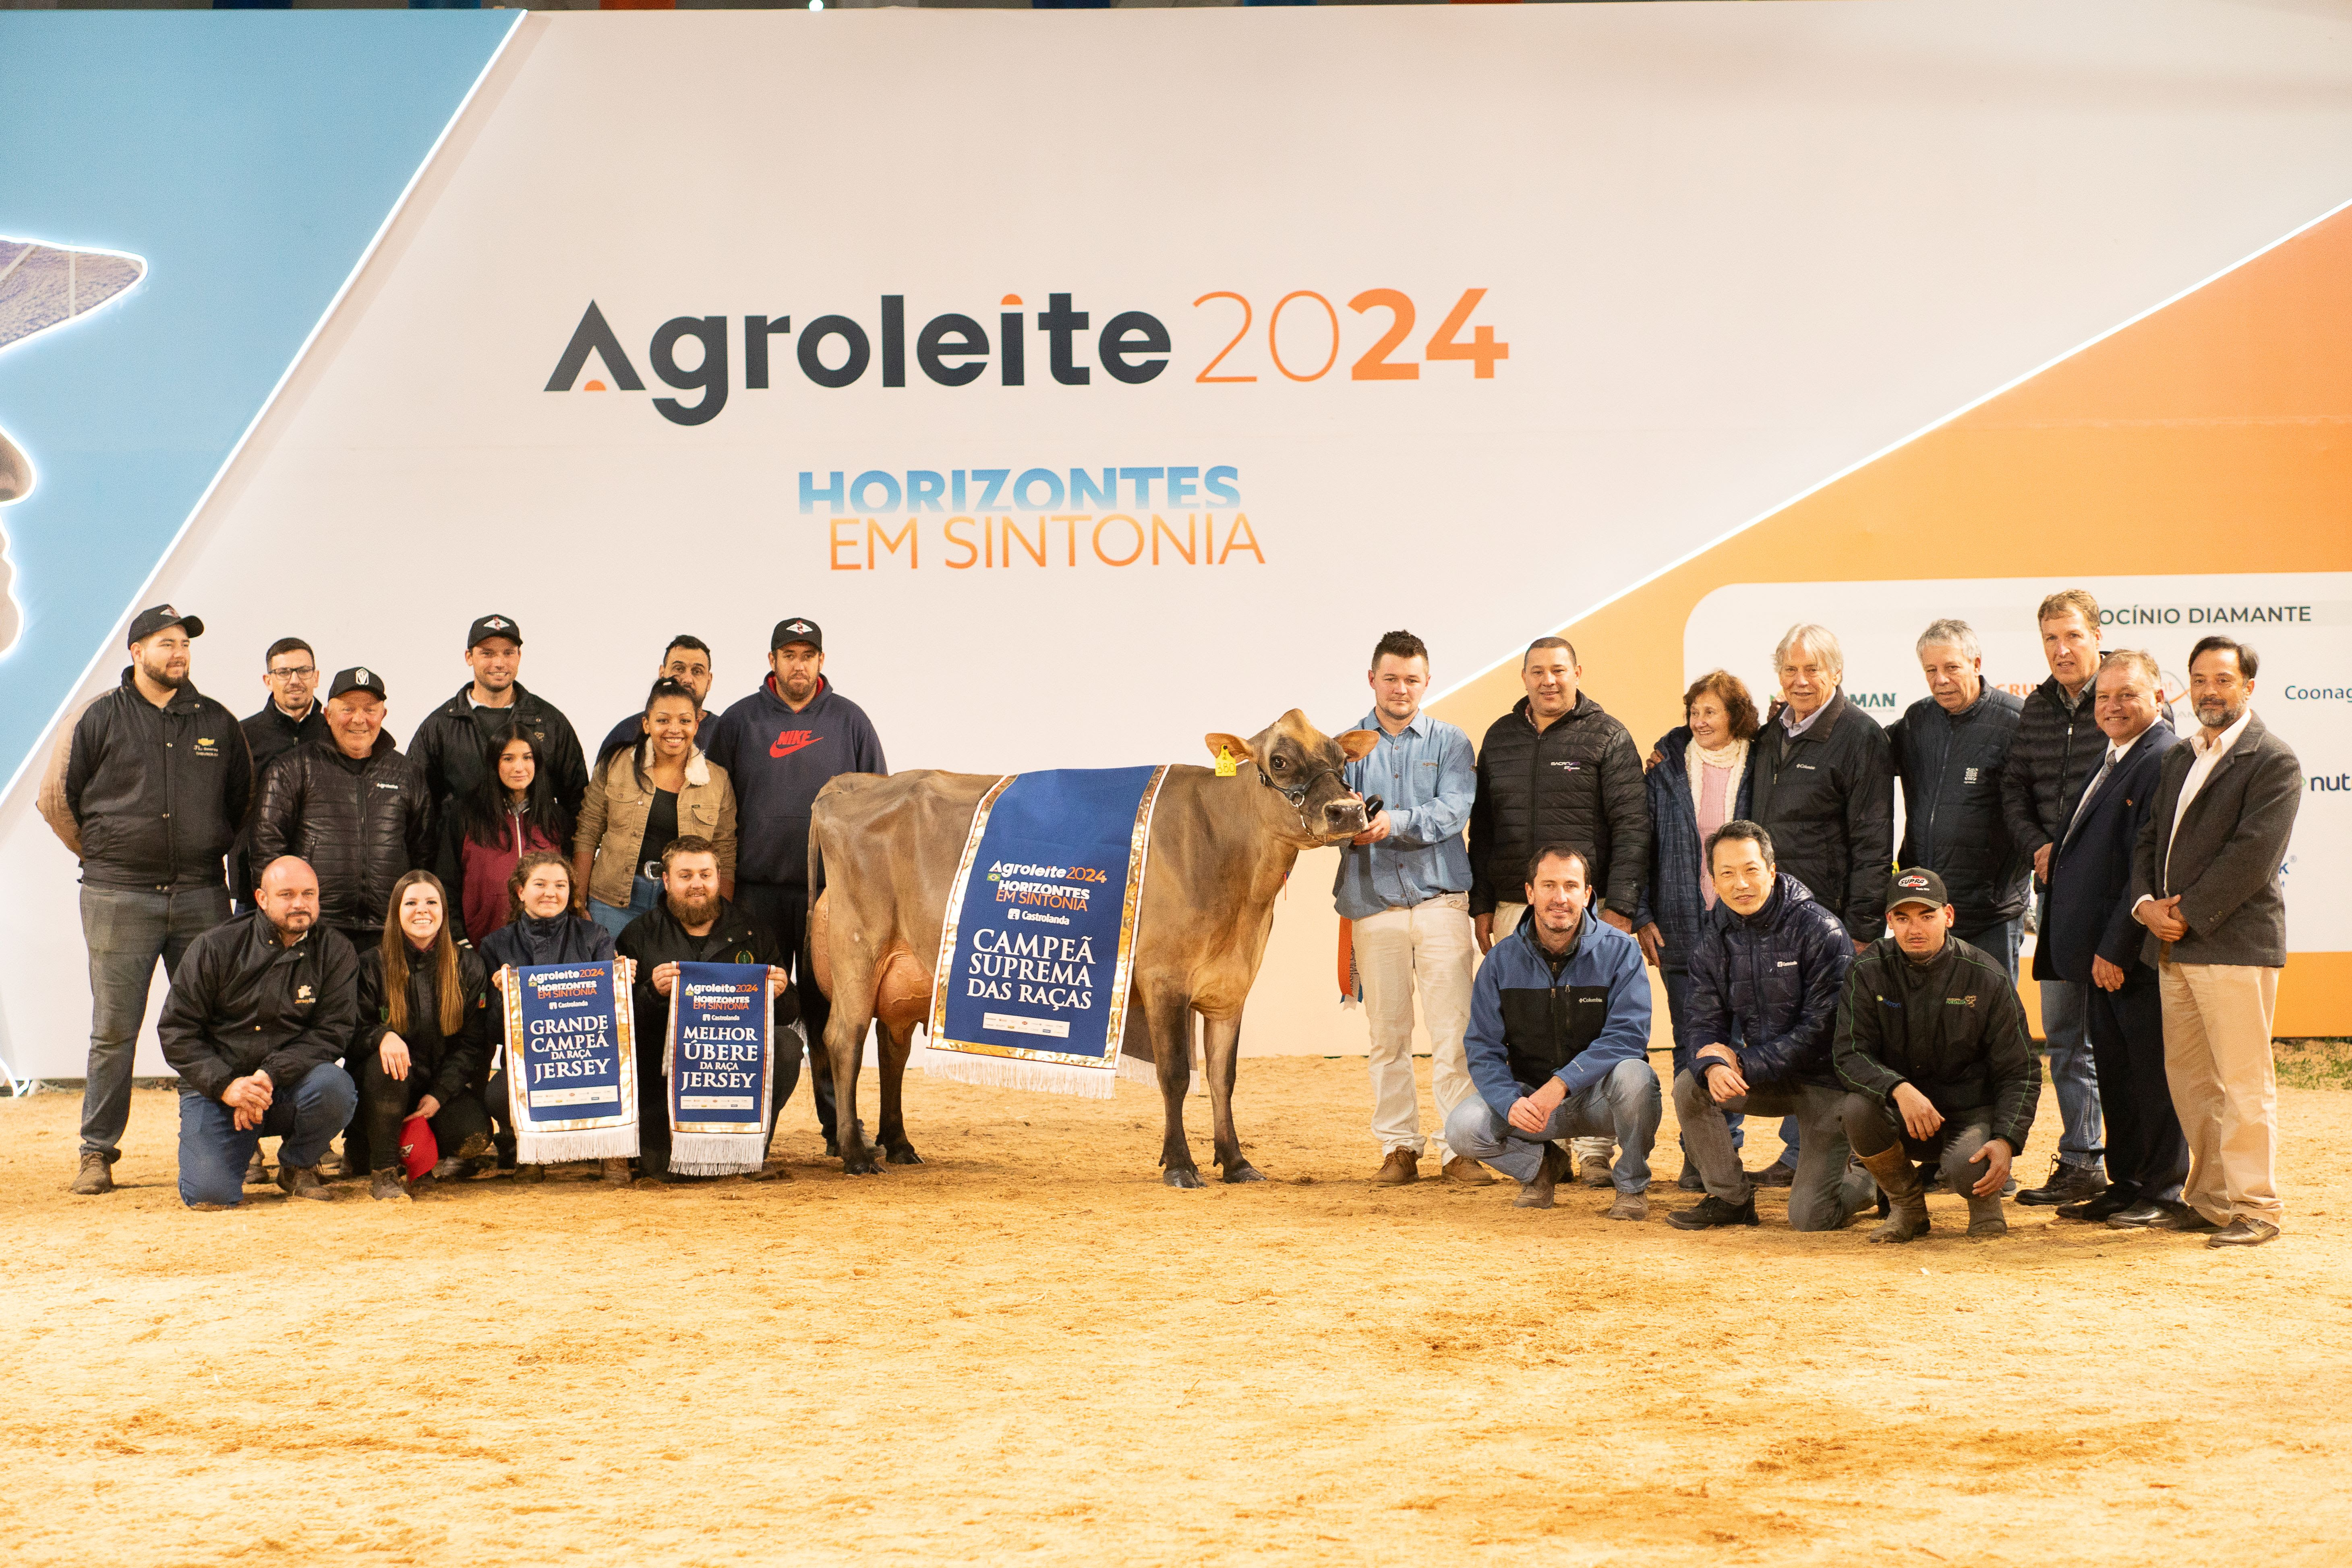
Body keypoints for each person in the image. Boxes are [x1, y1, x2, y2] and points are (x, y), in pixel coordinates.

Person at [37, 604, 253, 1197]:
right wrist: (110, 856)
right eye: (165, 643)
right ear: (136, 652)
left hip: (202, 895)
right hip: (117, 896)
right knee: (114, 1029)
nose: (178, 653)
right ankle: (97, 1152)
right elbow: (59, 800)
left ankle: (235, 1145)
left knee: (215, 1024)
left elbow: (240, 807)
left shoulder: (218, 722)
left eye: (184, 643)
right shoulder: (97, 717)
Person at [2130, 635, 2302, 1248]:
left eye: (2223, 680)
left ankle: (2257, 1205)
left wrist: (2187, 915)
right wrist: (2146, 906)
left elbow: (2252, 857)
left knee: (2242, 1081)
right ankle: (2208, 1199)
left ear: (2248, 687)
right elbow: (2149, 840)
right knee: (2194, 1081)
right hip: (2174, 947)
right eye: (2200, 680)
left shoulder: (2272, 760)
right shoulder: (2180, 756)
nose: (2209, 691)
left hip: (2233, 944)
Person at [1467, 638, 1648, 1187]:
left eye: (1559, 670)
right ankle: (1540, 1148)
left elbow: (1632, 827)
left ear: (1578, 673)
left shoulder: (1609, 735)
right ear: (1524, 677)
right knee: (1529, 1028)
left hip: (1590, 910)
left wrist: (1618, 905)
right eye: (1538, 671)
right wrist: (1480, 902)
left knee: (1592, 1028)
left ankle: (1596, 1150)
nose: (1549, 680)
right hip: (1512, 903)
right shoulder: (1499, 738)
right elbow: (1485, 830)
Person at [706, 616, 886, 1156]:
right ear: (772, 661)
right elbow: (714, 807)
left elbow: (877, 808)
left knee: (831, 1012)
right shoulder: (740, 721)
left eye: (808, 654)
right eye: (788, 654)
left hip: (829, 898)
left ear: (822, 662)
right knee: (746, 1010)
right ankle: (738, 1130)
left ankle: (841, 1131)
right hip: (756, 894)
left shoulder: (850, 721)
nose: (798, 664)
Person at [1666, 822, 1876, 1231]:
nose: (1740, 883)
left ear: (1772, 869)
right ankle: (1730, 1198)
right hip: (1767, 1076)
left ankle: (1868, 1179)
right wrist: (1712, 1063)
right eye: (1726, 873)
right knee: (1689, 1085)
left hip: (1825, 1081)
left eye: (1750, 869)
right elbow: (1700, 1018)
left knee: (1809, 1218)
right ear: (1711, 879)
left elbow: (1821, 1029)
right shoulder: (1713, 935)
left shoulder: (1820, 929)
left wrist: (1741, 1060)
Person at [2038, 651, 2185, 1227]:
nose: (2113, 705)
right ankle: (2126, 1184)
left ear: (2158, 697)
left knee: (2151, 1075)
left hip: (2129, 956)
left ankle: (2163, 1189)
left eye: (2128, 694)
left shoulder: (2161, 757)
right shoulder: (2120, 753)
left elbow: (2144, 865)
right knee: (2119, 1076)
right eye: (2103, 696)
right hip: (2097, 954)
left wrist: (2116, 947)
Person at [1745, 622, 1894, 1188]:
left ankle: (1849, 1158)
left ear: (1836, 672)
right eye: (1790, 669)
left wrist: (1859, 926)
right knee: (1795, 1031)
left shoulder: (1860, 735)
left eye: (1813, 669)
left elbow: (1874, 840)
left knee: (1838, 1038)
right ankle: (1799, 1155)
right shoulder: (1769, 734)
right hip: (1773, 916)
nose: (1801, 680)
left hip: (1832, 920)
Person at [1332, 630, 1479, 1186]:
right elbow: (1326, 816)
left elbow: (1452, 812)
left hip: (1441, 902)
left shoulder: (1451, 742)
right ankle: (1399, 1147)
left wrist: (1392, 822)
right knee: (1387, 1035)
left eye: (1411, 679)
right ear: (1372, 679)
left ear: (1427, 681)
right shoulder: (1342, 748)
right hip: (1373, 906)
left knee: (1453, 1032)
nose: (1400, 689)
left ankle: (1459, 1147)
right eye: (1390, 678)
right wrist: (1349, 824)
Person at [1443, 845, 1659, 1218]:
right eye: (1549, 885)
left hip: (1599, 1100)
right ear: (1530, 892)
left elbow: (1628, 1036)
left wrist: (1561, 1084)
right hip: (1532, 1103)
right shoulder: (1500, 961)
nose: (1560, 898)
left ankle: (1632, 1186)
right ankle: (1542, 1166)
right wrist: (1510, 1101)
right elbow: (1482, 1047)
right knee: (1462, 1129)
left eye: (1572, 886)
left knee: (1637, 1076)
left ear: (1587, 894)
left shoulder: (1620, 951)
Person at [1835, 868, 2040, 1243]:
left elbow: (2021, 1069)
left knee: (1968, 1167)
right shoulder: (1866, 970)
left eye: (1927, 916)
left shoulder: (1987, 975)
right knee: (1857, 1110)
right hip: (1904, 1114)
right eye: (1903, 918)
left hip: (1968, 1115)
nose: (1916, 928)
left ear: (1948, 916)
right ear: (1890, 922)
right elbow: (1848, 1052)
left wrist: (2007, 1139)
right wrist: (1899, 1089)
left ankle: (1985, 1207)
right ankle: (1908, 1209)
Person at [157, 856, 359, 1209]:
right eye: (287, 894)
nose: (300, 903)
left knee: (336, 1087)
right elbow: (177, 1030)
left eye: (308, 894)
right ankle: (238, 1143)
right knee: (210, 1195)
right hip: (217, 1089)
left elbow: (332, 1032)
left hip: (285, 1085)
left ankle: (297, 1165)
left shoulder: (336, 951)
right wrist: (226, 1086)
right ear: (262, 899)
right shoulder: (216, 946)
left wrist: (269, 1075)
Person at [1999, 588, 2115, 1207]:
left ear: (2097, 634)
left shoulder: (2127, 692)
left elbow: (2146, 797)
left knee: (2123, 1039)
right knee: (2066, 1035)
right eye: (2050, 639)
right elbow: (2013, 790)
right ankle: (2082, 1162)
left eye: (2072, 636)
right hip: (2058, 900)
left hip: (2122, 902)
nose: (2062, 650)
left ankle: (2142, 1170)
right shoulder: (2037, 709)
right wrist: (2038, 846)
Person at [1633, 670, 1759, 1189]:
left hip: (1747, 928)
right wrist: (1641, 913)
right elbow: (1640, 844)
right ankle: (1701, 1156)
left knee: (1741, 1042)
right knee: (1692, 1043)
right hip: (1680, 925)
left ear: (1735, 715)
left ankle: (1731, 1152)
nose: (1700, 721)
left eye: (1712, 711)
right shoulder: (1664, 768)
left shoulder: (1763, 764)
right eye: (1694, 711)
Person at [615, 836, 799, 1183]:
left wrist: (781, 992)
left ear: (718, 878)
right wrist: (652, 993)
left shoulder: (752, 931)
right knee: (665, 1171)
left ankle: (750, 1150)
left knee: (788, 1044)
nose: (697, 884)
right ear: (666, 880)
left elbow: (789, 1013)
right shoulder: (638, 935)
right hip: (662, 1077)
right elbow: (619, 1025)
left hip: (735, 1072)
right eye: (685, 875)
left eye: (705, 874)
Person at [251, 667, 433, 955]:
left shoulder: (407, 774)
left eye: (370, 710)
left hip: (388, 931)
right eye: (348, 709)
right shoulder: (292, 768)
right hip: (315, 929)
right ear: (328, 714)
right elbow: (267, 849)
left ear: (383, 715)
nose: (359, 719)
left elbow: (423, 853)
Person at [1888, 618, 2029, 979]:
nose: (1941, 679)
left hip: (1991, 915)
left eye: (1952, 667)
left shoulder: (2017, 720)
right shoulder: (1917, 719)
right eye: (1931, 670)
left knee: (1995, 1023)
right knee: (1930, 1024)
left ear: (1977, 664)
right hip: (1928, 911)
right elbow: (1863, 750)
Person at [349, 871, 494, 1199]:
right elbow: (351, 1033)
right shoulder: (371, 965)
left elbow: (472, 1044)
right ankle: (384, 1169)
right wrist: (382, 1037)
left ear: (444, 909)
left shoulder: (469, 965)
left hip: (438, 1087)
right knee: (389, 1063)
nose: (422, 910)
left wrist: (440, 1094)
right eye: (411, 903)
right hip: (382, 1090)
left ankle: (422, 1157)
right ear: (396, 911)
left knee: (473, 1134)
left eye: (431, 902)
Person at [479, 851, 622, 1183]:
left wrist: (620, 982)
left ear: (570, 892)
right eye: (540, 884)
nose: (550, 893)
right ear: (520, 891)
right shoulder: (495, 945)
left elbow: (616, 1014)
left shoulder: (595, 936)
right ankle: (532, 1151)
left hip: (590, 1060)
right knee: (499, 1093)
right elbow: (490, 1031)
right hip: (530, 1065)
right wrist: (503, 996)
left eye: (560, 885)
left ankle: (611, 1149)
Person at [576, 677, 739, 943]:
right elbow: (587, 832)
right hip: (611, 903)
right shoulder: (615, 765)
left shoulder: (717, 781)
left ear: (696, 725)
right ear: (646, 724)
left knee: (670, 984)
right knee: (616, 983)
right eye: (663, 720)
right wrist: (578, 903)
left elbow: (725, 855)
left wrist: (719, 918)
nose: (674, 729)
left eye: (685, 721)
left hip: (683, 906)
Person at [410, 613, 589, 831]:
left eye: (508, 653)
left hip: (537, 859)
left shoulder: (551, 723)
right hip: (462, 859)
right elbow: (418, 807)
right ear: (469, 657)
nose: (499, 663)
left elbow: (577, 801)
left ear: (519, 656)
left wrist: (565, 861)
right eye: (487, 653)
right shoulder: (440, 726)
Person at [436, 721, 572, 945]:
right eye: (508, 759)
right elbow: (446, 886)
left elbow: (569, 888)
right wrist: (461, 942)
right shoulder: (465, 815)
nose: (519, 767)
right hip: (481, 948)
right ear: (494, 764)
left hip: (547, 954)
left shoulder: (556, 819)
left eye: (527, 758)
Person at [233, 637, 325, 912]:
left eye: (303, 671)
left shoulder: (334, 734)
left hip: (323, 881)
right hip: (257, 885)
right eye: (283, 672)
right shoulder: (243, 736)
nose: (294, 680)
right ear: (268, 680)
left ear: (317, 677)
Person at [597, 635, 716, 758]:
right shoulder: (626, 732)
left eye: (697, 671)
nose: (687, 679)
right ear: (662, 674)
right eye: (679, 669)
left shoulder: (725, 732)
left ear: (709, 681)